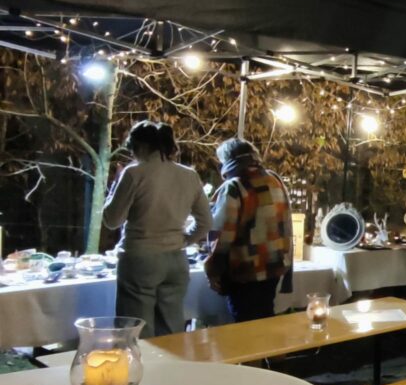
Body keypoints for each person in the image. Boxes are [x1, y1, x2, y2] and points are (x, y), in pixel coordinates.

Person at [103, 121, 212, 338]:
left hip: (140, 258)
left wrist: (115, 186)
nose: (132, 154)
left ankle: (141, 361)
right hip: (176, 259)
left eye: (132, 148)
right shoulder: (189, 175)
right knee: (171, 330)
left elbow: (112, 220)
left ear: (141, 146)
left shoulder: (134, 173)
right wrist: (185, 240)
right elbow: (206, 222)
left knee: (136, 330)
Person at [205, 139, 294, 322]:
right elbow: (286, 225)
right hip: (274, 266)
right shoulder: (275, 180)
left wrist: (213, 269)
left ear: (228, 161)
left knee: (245, 327)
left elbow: (223, 235)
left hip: (245, 271)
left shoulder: (234, 186)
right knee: (265, 321)